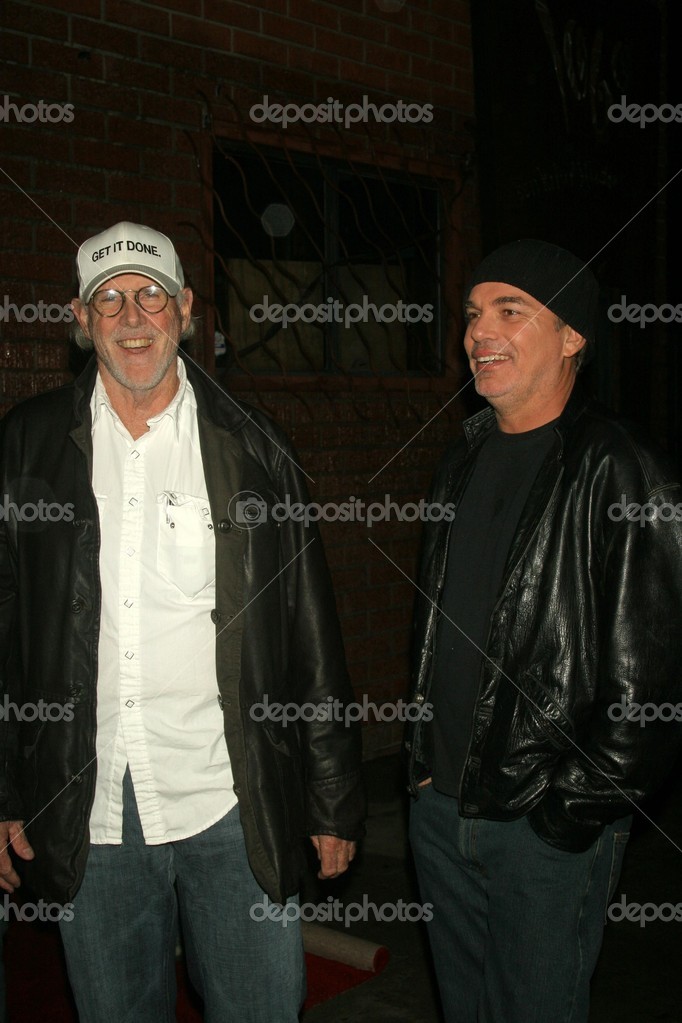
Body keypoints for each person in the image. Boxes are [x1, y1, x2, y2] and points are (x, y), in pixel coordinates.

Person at [0, 221, 365, 1023]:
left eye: (152, 296)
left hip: (231, 798)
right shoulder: (27, 444)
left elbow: (311, 624)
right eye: (109, 299)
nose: (133, 317)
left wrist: (332, 795)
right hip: (86, 800)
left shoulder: (254, 444)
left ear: (187, 310)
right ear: (81, 318)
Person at [406, 239, 682, 1022]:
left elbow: (653, 689)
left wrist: (563, 816)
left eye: (510, 310)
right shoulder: (458, 461)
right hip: (440, 812)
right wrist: (425, 774)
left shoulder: (625, 470)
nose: (478, 331)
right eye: (472, 313)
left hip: (543, 828)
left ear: (572, 336)